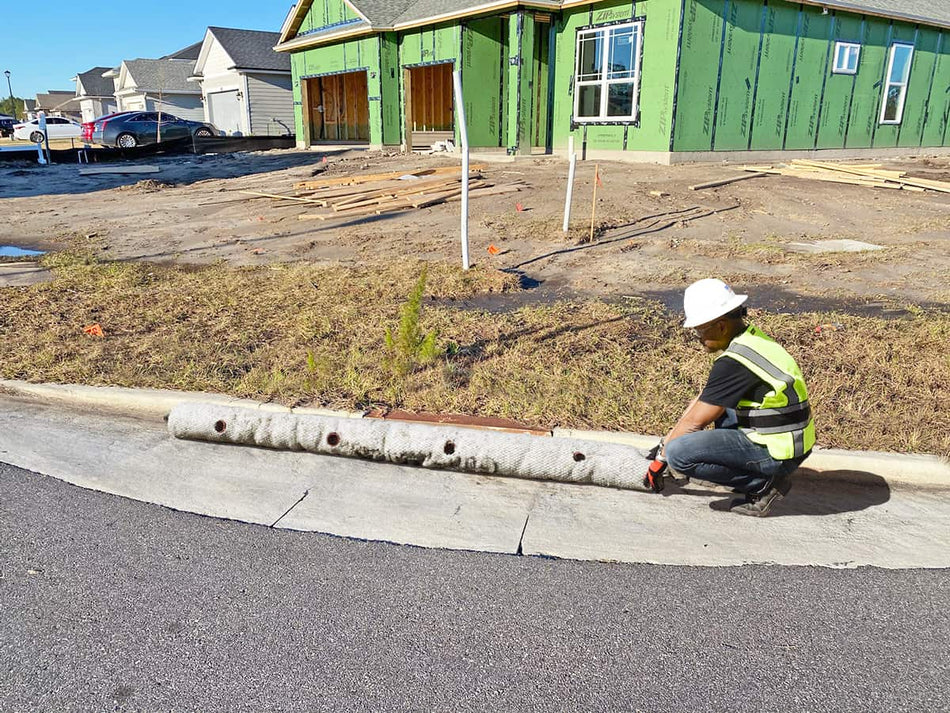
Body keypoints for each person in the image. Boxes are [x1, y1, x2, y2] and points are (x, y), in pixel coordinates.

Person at [656, 278, 815, 517]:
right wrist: (663, 443)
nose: (698, 337)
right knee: (705, 417)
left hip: (779, 452)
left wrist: (663, 459)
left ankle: (763, 484)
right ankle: (755, 472)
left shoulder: (734, 362)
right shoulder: (751, 339)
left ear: (721, 326)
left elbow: (694, 423)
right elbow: (705, 399)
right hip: (792, 442)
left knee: (680, 454)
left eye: (700, 330)